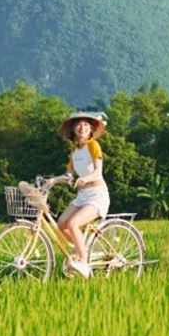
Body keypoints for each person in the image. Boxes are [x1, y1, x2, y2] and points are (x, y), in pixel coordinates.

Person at [46, 112, 110, 278]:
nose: (82, 127)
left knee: (73, 223)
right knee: (61, 224)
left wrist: (85, 178)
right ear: (74, 130)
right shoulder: (75, 152)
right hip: (82, 196)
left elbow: (98, 172)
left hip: (97, 195)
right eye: (78, 125)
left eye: (86, 125)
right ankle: (82, 249)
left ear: (90, 131)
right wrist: (52, 181)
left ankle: (84, 262)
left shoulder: (93, 145)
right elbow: (69, 176)